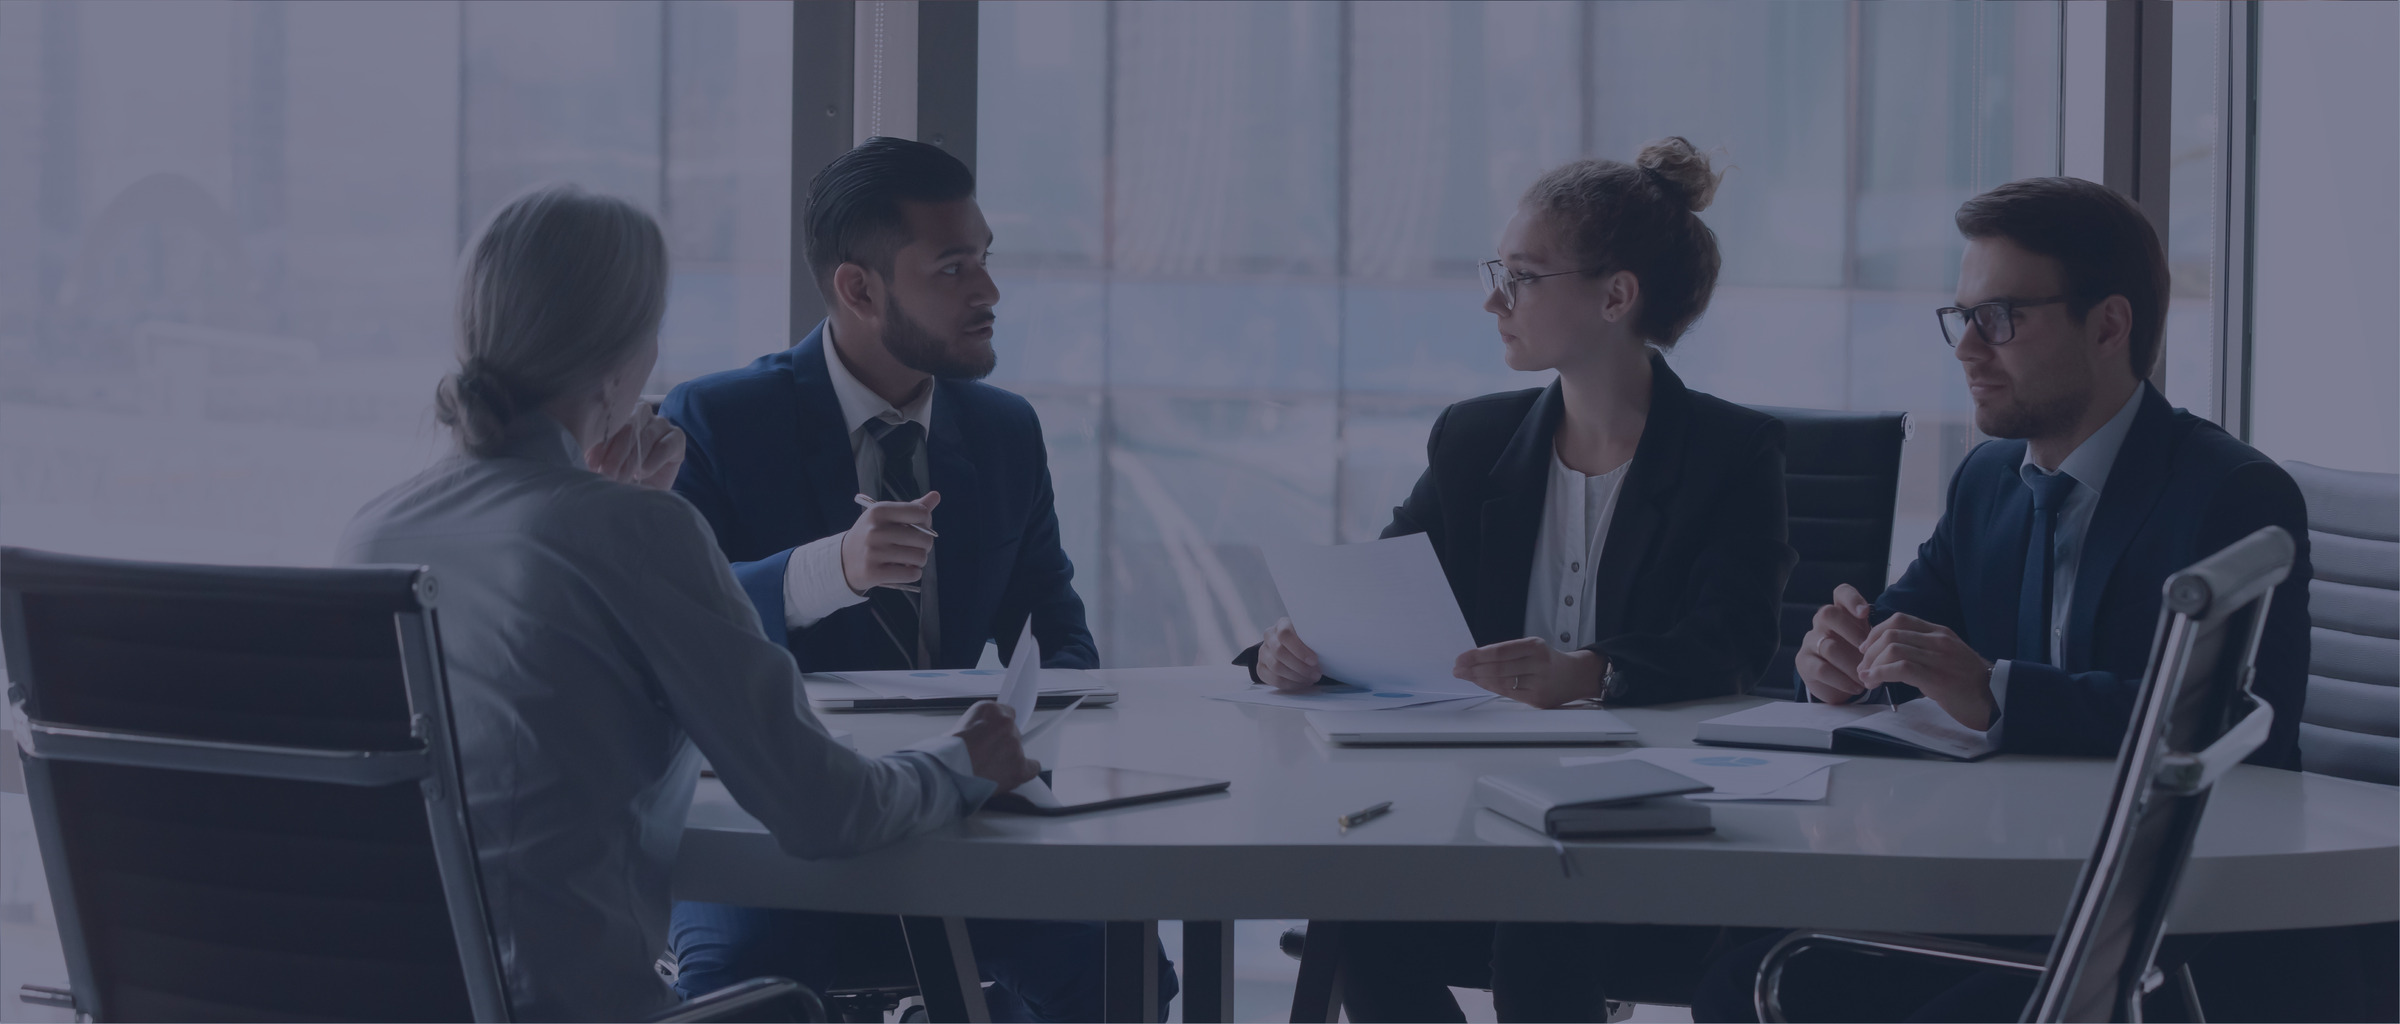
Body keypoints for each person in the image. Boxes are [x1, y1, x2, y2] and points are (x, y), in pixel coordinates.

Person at [337, 185, 1039, 1022]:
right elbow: (823, 812)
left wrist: (604, 503)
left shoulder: (374, 534)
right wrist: (964, 762)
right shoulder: (631, 531)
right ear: (622, 355)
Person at [1690, 176, 2331, 1022]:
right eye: (1962, 319)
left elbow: (2238, 721)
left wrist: (1996, 690)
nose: (1965, 349)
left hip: (2154, 914)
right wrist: (1846, 657)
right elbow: (1909, 624)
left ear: (2108, 325)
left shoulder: (2232, 494)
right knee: (1748, 980)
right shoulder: (1989, 478)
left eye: (2001, 319)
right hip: (2004, 877)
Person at [1242, 139, 1798, 1022]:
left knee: (1542, 924)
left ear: (1616, 296)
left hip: (1646, 826)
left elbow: (1731, 648)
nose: (1494, 299)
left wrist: (1590, 673)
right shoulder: (1474, 440)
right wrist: (1291, 649)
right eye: (1498, 270)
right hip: (1477, 807)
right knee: (1357, 913)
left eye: (1525, 277)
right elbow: (1384, 594)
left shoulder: (1732, 455)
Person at [659, 137, 1172, 1023]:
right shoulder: (716, 420)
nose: (989, 292)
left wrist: (1028, 730)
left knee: (1124, 974)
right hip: (780, 827)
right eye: (953, 268)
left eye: (985, 259)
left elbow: (1058, 637)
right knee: (733, 997)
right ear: (859, 289)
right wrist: (833, 569)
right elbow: (676, 632)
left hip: (964, 810)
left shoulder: (1004, 432)